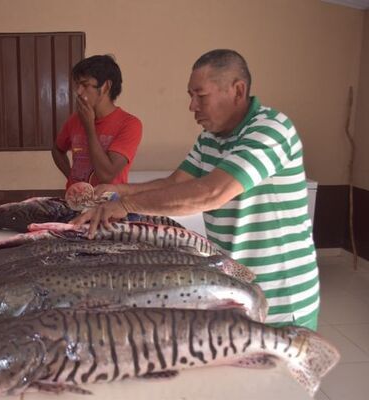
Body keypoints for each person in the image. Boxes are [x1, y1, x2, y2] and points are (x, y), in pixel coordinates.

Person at [72, 49, 319, 330]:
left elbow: (211, 193)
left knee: (278, 371)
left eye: (200, 96)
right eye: (190, 95)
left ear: (237, 90)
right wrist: (120, 190)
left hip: (281, 297)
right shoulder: (209, 138)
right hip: (235, 288)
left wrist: (126, 206)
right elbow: (176, 183)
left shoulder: (270, 129)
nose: (192, 106)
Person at [51, 55, 143, 189]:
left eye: (85, 85)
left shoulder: (130, 124)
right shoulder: (75, 120)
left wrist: (89, 127)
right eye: (77, 85)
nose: (79, 92)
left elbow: (107, 175)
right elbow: (57, 150)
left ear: (106, 86)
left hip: (109, 205)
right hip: (75, 203)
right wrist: (71, 176)